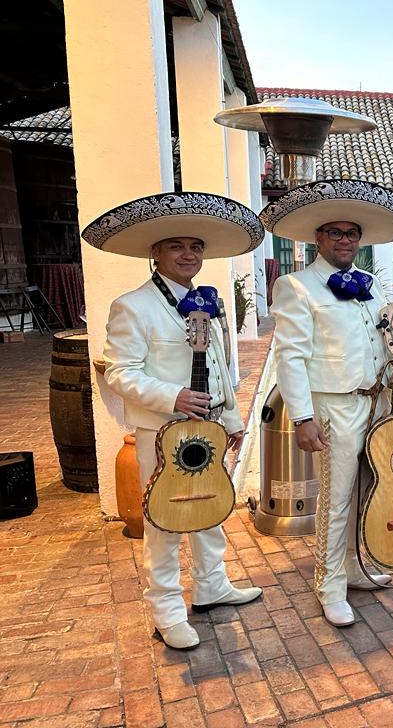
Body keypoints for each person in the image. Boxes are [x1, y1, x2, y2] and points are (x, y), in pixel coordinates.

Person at [83, 192, 266, 650]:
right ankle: (165, 609)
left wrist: (232, 418)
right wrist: (174, 397)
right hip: (161, 434)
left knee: (210, 507)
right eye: (177, 246)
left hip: (209, 429)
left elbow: (222, 367)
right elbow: (121, 372)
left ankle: (212, 585)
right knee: (163, 519)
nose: (189, 255)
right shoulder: (133, 306)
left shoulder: (209, 301)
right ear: (155, 253)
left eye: (196, 247)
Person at [260, 179, 393, 627]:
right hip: (334, 407)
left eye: (352, 234)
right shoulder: (297, 286)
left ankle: (352, 567)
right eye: (335, 233)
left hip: (377, 401)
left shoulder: (370, 284)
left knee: (368, 488)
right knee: (336, 497)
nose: (345, 240)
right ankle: (328, 585)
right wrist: (303, 418)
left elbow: (386, 338)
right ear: (318, 238)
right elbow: (290, 357)